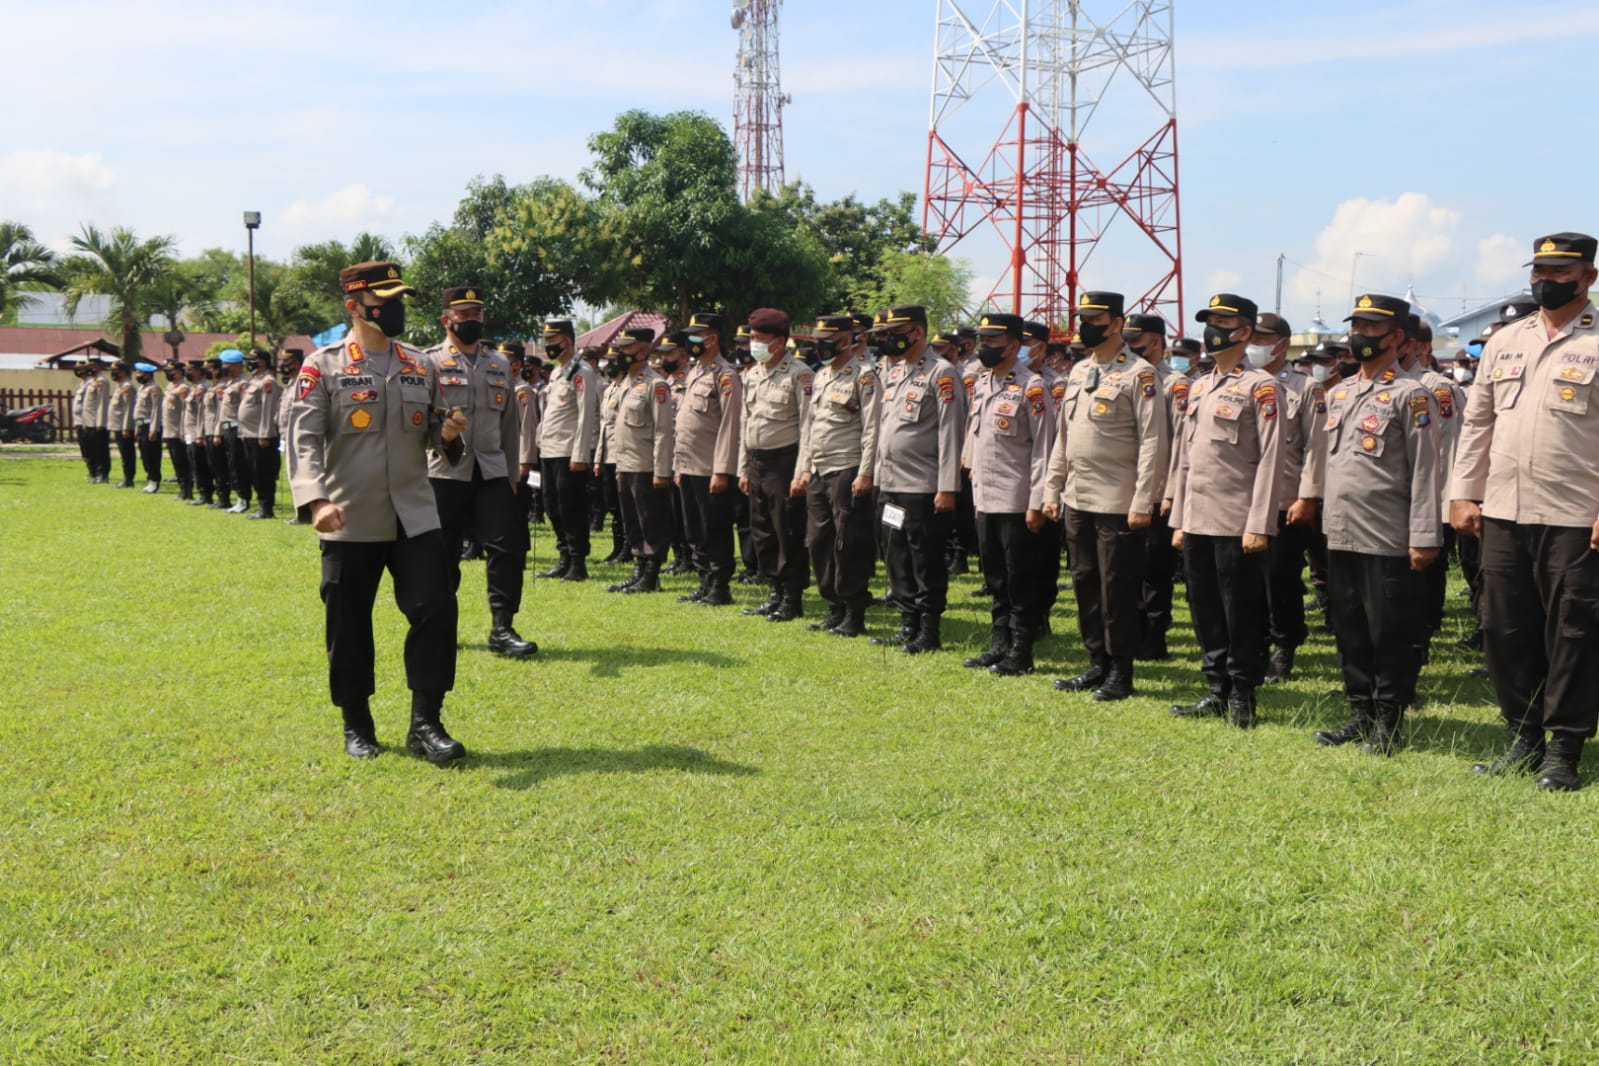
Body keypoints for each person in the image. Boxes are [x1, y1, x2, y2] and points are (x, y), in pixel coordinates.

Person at [286, 260, 469, 764]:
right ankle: (356, 723)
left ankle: (426, 723)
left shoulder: (421, 365)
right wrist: (315, 499)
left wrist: (448, 436)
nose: (396, 310)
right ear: (354, 305)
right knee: (348, 624)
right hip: (350, 517)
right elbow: (302, 440)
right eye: (385, 302)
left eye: (400, 300)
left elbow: (436, 433)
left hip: (415, 513)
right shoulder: (321, 367)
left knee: (436, 608)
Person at [1450, 232, 1599, 790]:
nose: (1545, 279)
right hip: (1504, 511)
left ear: (1588, 276)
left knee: (1574, 632)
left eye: (1559, 271)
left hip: (1575, 513)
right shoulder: (1505, 341)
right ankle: (1523, 736)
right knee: (1505, 628)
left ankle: (1564, 747)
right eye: (1538, 269)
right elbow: (1478, 424)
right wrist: (1463, 491)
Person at [1313, 294, 1441, 754]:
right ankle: (1359, 712)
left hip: (1389, 536)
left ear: (1397, 338)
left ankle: (1389, 720)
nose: (1360, 335)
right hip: (1342, 531)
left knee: (1390, 633)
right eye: (1358, 326)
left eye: (1372, 328)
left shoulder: (1413, 395)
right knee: (1348, 628)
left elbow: (1427, 471)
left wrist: (1425, 535)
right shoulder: (1340, 393)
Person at [1044, 292, 1169, 699]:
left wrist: (1143, 499)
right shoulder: (1079, 371)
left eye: (1094, 318)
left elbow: (1153, 441)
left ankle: (1121, 670)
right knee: (1084, 581)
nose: (1085, 325)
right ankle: (1096, 661)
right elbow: (1064, 436)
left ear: (1116, 324)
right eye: (1082, 317)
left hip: (1118, 500)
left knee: (1117, 586)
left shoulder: (1139, 374)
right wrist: (1053, 487)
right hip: (1078, 497)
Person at [1168, 294, 1283, 728]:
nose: (1213, 328)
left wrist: (1259, 524)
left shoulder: (1262, 386)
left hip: (1238, 520)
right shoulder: (1199, 385)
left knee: (1242, 608)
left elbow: (1272, 460)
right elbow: (1186, 457)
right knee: (1204, 606)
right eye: (1210, 320)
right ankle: (1216, 687)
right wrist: (1178, 518)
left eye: (1223, 321)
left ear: (1245, 332)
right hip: (1198, 516)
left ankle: (1243, 692)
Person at [423, 286, 537, 658]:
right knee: (442, 552)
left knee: (508, 546)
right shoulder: (429, 363)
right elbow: (420, 423)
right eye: (464, 315)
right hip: (444, 471)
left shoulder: (498, 364)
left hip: (490, 471)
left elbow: (509, 426)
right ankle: (439, 627)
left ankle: (502, 628)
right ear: (446, 320)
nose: (472, 321)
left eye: (477, 315)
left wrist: (513, 476)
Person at [870, 305, 966, 653]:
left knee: (924, 558)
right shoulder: (895, 373)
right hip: (892, 486)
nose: (890, 338)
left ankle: (929, 630)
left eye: (898, 331)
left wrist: (947, 486)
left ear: (918, 333)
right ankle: (907, 622)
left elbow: (951, 432)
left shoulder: (942, 373)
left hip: (923, 488)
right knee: (897, 555)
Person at [963, 313, 1054, 674]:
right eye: (982, 340)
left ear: (1014, 345)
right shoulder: (983, 383)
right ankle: (999, 643)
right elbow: (977, 443)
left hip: (1018, 501)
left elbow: (1044, 448)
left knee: (1021, 580)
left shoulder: (1032, 387)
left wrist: (1037, 503)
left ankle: (1021, 650)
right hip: (987, 499)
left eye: (993, 341)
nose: (985, 347)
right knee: (996, 578)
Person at [1246, 313, 1326, 684]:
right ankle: (1253, 644)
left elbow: (1315, 447)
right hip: (1244, 499)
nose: (1254, 344)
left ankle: (1284, 646)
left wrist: (1307, 496)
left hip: (1285, 500)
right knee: (1246, 579)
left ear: (1281, 343)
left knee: (1281, 579)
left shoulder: (1305, 387)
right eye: (1253, 337)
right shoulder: (1242, 382)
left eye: (1263, 338)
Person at [795, 314, 879, 636]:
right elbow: (810, 427)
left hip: (847, 468)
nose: (820, 346)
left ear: (846, 340)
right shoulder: (820, 376)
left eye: (826, 340)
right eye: (817, 340)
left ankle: (854, 611)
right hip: (818, 468)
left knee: (848, 544)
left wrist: (866, 472)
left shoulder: (864, 376)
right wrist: (803, 469)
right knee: (818, 542)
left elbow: (872, 428)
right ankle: (834, 605)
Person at [737, 307, 814, 622]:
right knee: (762, 532)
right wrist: (743, 467)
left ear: (780, 341)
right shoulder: (752, 374)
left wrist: (803, 469)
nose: (753, 344)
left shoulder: (799, 373)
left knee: (787, 531)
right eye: (752, 337)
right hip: (757, 460)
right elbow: (746, 421)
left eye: (759, 338)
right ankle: (774, 591)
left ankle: (792, 598)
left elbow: (809, 425)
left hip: (785, 460)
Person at [672, 312, 743, 607]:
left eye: (695, 336)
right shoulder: (695, 372)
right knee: (694, 529)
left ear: (711, 339)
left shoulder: (725, 375)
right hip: (688, 465)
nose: (690, 342)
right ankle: (704, 581)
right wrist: (678, 465)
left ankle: (719, 586)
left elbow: (730, 424)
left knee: (715, 528)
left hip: (710, 466)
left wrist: (722, 470)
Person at [606, 328, 676, 594]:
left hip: (647, 465)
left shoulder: (655, 384)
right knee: (632, 520)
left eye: (628, 348)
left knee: (651, 521)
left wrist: (661, 470)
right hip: (626, 463)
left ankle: (651, 575)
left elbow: (663, 430)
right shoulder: (625, 382)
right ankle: (639, 569)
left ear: (643, 351)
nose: (622, 353)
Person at [535, 320, 602, 581]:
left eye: (554, 341)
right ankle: (563, 556)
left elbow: (586, 415)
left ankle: (577, 562)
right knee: (552, 505)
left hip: (569, 452)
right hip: (550, 450)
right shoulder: (556, 372)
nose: (549, 346)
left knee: (571, 506)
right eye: (547, 341)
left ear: (568, 341)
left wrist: (581, 454)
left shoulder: (581, 371)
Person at [236, 349, 282, 520]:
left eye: (252, 360)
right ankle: (261, 505)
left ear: (262, 362)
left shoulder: (268, 382)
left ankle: (266, 507)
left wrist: (265, 434)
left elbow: (268, 410)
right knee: (254, 471)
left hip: (260, 436)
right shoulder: (255, 381)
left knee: (263, 472)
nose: (249, 364)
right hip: (249, 434)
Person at [217, 349, 253, 514]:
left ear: (236, 365)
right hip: (227, 429)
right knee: (231, 464)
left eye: (227, 365)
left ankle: (244, 499)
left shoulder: (243, 384)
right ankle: (239, 497)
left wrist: (243, 431)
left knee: (239, 465)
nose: (223, 367)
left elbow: (245, 409)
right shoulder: (229, 384)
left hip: (237, 428)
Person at [277, 350, 305, 524]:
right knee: (292, 474)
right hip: (286, 435)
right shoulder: (291, 383)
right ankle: (299, 512)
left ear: (296, 363)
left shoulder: (302, 383)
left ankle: (303, 513)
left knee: (299, 474)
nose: (283, 364)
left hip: (297, 436)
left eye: (287, 361)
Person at [158, 360, 192, 500]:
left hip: (179, 432)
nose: (168, 373)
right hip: (169, 430)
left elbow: (186, 411)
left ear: (180, 372)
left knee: (183, 462)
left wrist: (182, 432)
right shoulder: (170, 387)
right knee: (176, 462)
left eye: (171, 371)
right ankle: (181, 489)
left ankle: (187, 490)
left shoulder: (184, 389)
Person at [183, 360, 214, 507]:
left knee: (200, 465)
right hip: (190, 432)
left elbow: (202, 414)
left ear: (199, 371)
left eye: (191, 370)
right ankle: (201, 492)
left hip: (196, 433)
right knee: (193, 464)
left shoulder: (202, 388)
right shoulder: (193, 388)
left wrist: (199, 434)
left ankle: (206, 494)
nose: (188, 373)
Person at [78, 355, 111, 483]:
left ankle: (103, 474)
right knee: (92, 449)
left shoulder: (102, 381)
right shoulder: (91, 381)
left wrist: (100, 422)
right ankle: (96, 473)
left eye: (90, 367)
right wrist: (85, 422)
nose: (88, 369)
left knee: (101, 450)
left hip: (98, 422)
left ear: (97, 367)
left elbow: (102, 403)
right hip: (89, 421)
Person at [132, 361, 163, 492]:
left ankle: (154, 481)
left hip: (150, 426)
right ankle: (150, 479)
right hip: (141, 426)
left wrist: (154, 430)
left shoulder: (154, 389)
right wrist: (136, 428)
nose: (137, 375)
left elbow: (156, 410)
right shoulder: (142, 388)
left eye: (140, 373)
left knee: (152, 456)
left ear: (148, 375)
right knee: (144, 455)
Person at [107, 360, 138, 488]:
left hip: (123, 426)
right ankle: (126, 478)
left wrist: (126, 427)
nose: (113, 373)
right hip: (117, 425)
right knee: (123, 453)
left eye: (116, 371)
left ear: (124, 372)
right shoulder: (119, 386)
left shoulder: (127, 387)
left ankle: (129, 479)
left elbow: (128, 408)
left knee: (127, 454)